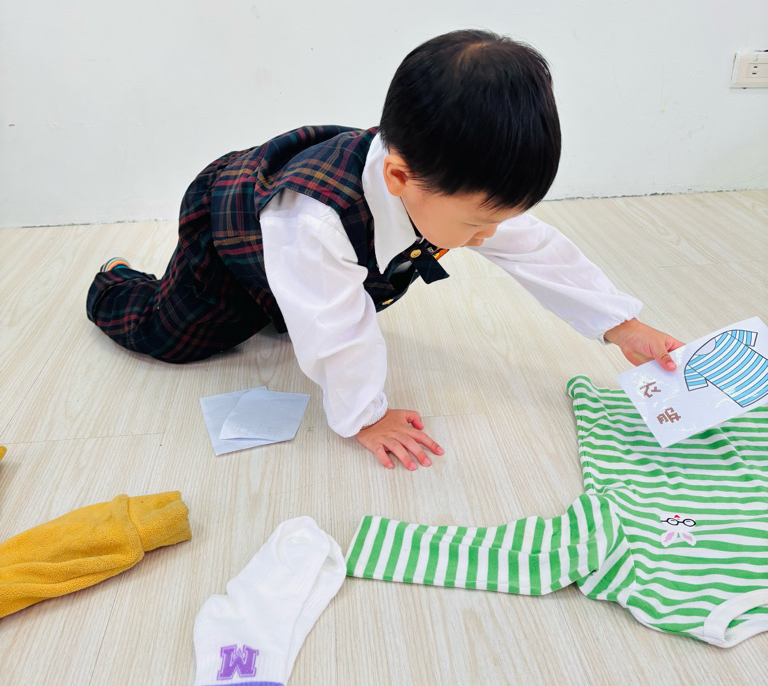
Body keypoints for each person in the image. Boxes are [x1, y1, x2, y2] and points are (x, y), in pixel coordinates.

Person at [87, 30, 683, 471]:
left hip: (306, 255)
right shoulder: (315, 222)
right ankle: (113, 282)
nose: (490, 236)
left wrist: (621, 325)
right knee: (178, 336)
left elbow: (538, 249)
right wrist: (365, 417)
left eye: (500, 219)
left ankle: (279, 303)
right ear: (398, 177)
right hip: (232, 226)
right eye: (478, 224)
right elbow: (337, 331)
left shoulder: (444, 183)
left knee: (301, 308)